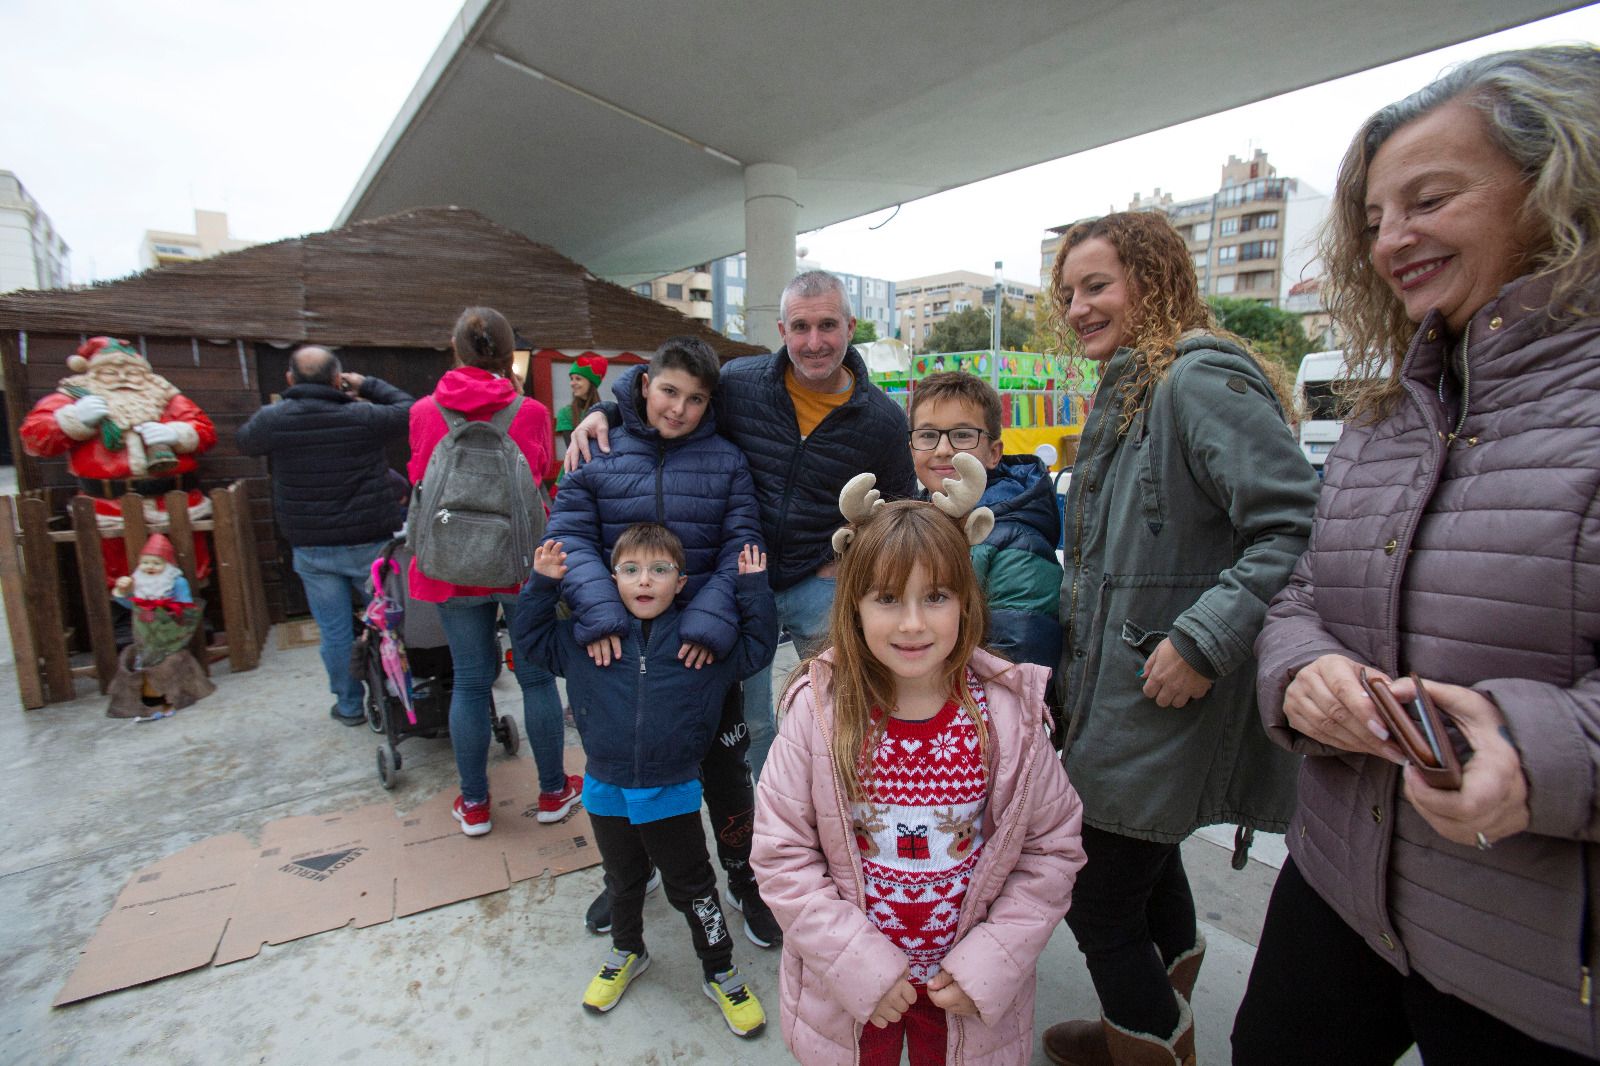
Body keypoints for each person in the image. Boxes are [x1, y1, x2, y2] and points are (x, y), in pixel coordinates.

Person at [1232, 46, 1600, 1065]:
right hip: (1342, 883)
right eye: (1375, 218)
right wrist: (1302, 675)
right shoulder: (1390, 410)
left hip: (1537, 956)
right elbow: (1303, 589)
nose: (1393, 240)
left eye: (1429, 199)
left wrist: (1543, 752)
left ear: (1564, 185)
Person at [1039, 210, 1319, 1065]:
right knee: (1148, 861)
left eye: (1098, 285)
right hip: (1127, 691)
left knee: (1095, 896)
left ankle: (1153, 1040)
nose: (1080, 307)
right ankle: (1154, 1016)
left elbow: (1297, 524)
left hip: (1164, 691)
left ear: (1154, 280)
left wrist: (1205, 639)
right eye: (1068, 292)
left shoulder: (1195, 382)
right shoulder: (1136, 384)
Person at [751, 490, 1085, 1066]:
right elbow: (782, 856)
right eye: (886, 598)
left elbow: (1051, 851)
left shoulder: (1008, 718)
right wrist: (857, 965)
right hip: (851, 998)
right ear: (853, 604)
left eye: (935, 597)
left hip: (965, 1002)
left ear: (966, 602)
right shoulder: (819, 712)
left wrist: (990, 963)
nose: (911, 624)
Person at [566, 270, 916, 782]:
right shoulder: (741, 383)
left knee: (846, 705)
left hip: (819, 582)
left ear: (850, 326)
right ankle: (770, 822)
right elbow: (671, 388)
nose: (814, 342)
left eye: (827, 325)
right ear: (781, 330)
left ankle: (849, 805)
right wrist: (606, 412)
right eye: (800, 327)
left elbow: (898, 507)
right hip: (741, 581)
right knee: (750, 721)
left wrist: (852, 561)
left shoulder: (882, 419)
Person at [539, 335, 779, 946]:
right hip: (618, 654)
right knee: (626, 771)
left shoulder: (726, 460)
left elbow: (740, 546)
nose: (679, 409)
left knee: (726, 773)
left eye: (696, 399)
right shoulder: (597, 451)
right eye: (670, 391)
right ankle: (630, 871)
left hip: (702, 651)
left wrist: (709, 623)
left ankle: (740, 875)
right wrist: (601, 616)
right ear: (644, 385)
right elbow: (570, 539)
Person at [515, 527, 776, 1039]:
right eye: (631, 570)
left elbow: (759, 649)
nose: (645, 580)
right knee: (623, 881)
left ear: (681, 582)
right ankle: (627, 952)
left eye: (659, 570)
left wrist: (753, 589)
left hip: (671, 791)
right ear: (613, 579)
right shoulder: (585, 641)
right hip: (604, 789)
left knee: (693, 887)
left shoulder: (701, 646)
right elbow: (530, 641)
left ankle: (719, 968)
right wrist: (542, 586)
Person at [409, 307, 577, 835]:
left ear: (456, 350)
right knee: (534, 677)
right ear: (509, 356)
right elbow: (542, 477)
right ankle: (553, 792)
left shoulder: (422, 411)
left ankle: (476, 804)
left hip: (449, 568)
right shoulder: (528, 412)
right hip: (518, 565)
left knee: (470, 680)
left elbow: (418, 477)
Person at [237, 345, 411, 725]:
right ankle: (402, 697)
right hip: (370, 543)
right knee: (390, 623)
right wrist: (367, 383)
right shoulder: (362, 415)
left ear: (289, 379)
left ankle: (349, 706)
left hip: (312, 546)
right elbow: (408, 410)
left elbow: (244, 441)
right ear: (337, 378)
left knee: (333, 632)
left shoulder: (274, 419)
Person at [22, 336, 218, 585]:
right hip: (108, 504)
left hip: (172, 501)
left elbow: (205, 430)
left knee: (186, 557)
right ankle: (122, 615)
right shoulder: (72, 397)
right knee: (115, 564)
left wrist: (178, 433)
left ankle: (186, 609)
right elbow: (35, 438)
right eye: (110, 373)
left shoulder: (166, 396)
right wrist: (73, 419)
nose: (123, 379)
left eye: (131, 373)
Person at [907, 371, 1062, 670]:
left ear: (994, 453)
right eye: (927, 435)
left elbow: (1016, 666)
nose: (943, 450)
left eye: (962, 435)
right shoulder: (917, 522)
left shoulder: (1019, 543)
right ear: (911, 448)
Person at [554, 353, 607, 446]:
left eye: (578, 379)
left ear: (591, 382)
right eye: (571, 378)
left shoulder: (606, 412)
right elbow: (571, 448)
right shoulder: (566, 413)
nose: (572, 383)